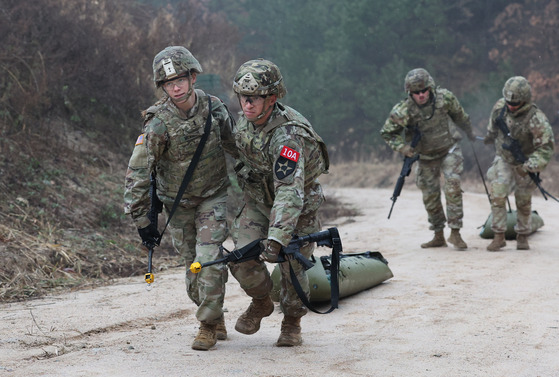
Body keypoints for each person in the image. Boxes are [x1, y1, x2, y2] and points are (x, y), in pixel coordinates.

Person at [123, 46, 237, 351]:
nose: (175, 87)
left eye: (181, 79)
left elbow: (236, 148)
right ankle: (213, 314)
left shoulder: (215, 110)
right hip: (177, 205)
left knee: (210, 259)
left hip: (212, 197)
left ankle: (207, 324)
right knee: (193, 267)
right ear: (162, 87)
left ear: (193, 77)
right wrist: (142, 220)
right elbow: (137, 172)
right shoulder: (158, 122)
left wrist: (261, 183)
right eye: (168, 83)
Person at [228, 59, 329, 347]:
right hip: (259, 203)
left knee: (291, 268)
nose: (247, 104)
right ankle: (261, 302)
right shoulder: (244, 124)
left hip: (296, 210)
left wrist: (276, 237)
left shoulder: (288, 135)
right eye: (243, 97)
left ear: (271, 99)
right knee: (241, 257)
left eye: (255, 98)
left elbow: (289, 192)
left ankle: (292, 322)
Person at [380, 68, 475, 250]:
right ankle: (438, 234)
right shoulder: (403, 110)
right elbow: (387, 133)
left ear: (430, 88)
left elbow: (460, 116)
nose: (421, 95)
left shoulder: (444, 98)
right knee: (430, 195)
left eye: (424, 91)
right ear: (410, 93)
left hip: (449, 150)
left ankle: (455, 232)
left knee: (452, 185)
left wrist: (470, 133)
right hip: (425, 156)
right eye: (416, 92)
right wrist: (404, 148)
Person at [483, 76, 555, 251]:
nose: (511, 106)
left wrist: (529, 166)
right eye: (509, 102)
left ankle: (522, 235)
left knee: (523, 200)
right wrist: (489, 137)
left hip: (526, 162)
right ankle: (499, 235)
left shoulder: (536, 118)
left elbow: (545, 148)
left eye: (515, 103)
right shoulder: (500, 107)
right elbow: (492, 127)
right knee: (498, 195)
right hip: (504, 158)